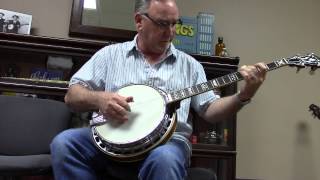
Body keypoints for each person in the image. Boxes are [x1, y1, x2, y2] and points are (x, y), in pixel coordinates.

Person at [50, 0, 267, 179]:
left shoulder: (190, 66)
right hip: (110, 142)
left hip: (167, 143)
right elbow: (72, 95)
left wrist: (244, 95)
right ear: (139, 21)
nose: (170, 33)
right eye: (163, 24)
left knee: (164, 159)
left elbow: (209, 110)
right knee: (64, 143)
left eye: (174, 24)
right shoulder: (109, 55)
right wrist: (99, 100)